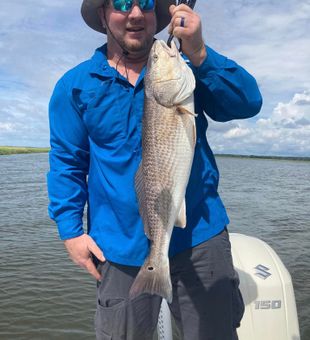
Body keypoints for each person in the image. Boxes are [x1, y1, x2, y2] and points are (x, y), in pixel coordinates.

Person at [47, 0, 262, 339]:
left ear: (155, 16)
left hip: (200, 236)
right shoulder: (74, 85)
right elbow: (67, 163)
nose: (135, 13)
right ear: (103, 14)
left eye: (146, 3)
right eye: (120, 3)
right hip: (118, 244)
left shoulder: (187, 71)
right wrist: (70, 231)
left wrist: (200, 52)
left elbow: (247, 103)